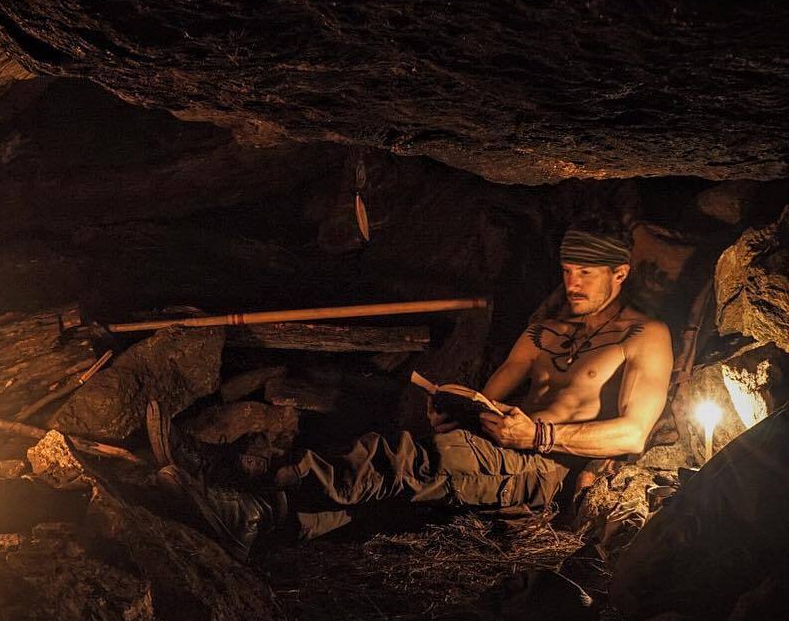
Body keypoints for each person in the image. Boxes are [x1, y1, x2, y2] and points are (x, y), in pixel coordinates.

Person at [163, 228, 674, 559]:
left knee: (410, 459)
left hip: (548, 466)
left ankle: (252, 494)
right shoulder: (544, 332)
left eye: (586, 273)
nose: (574, 283)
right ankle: (263, 519)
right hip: (494, 446)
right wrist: (452, 407)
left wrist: (539, 435)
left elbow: (632, 433)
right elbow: (485, 396)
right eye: (567, 271)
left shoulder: (644, 336)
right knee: (411, 461)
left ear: (620, 274)